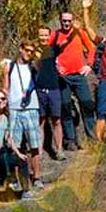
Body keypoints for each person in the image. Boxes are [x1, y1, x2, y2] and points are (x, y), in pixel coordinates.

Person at [49, 0, 97, 149]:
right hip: (63, 78)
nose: (66, 24)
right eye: (64, 21)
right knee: (66, 107)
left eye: (69, 21)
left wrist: (89, 65)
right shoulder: (55, 35)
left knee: (87, 104)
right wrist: (55, 65)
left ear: (72, 21)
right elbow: (46, 53)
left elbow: (92, 48)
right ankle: (69, 140)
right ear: (60, 21)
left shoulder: (79, 33)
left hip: (79, 75)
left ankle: (92, 136)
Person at [6, 42, 44, 196]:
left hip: (31, 107)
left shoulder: (33, 67)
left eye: (31, 51)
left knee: (34, 145)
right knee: (16, 145)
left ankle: (36, 177)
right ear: (20, 49)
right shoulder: (10, 66)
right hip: (15, 108)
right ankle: (17, 178)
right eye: (27, 50)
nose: (29, 53)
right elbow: (5, 87)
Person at [34, 26, 65, 160]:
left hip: (53, 88)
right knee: (41, 120)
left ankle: (59, 149)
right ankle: (39, 151)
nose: (44, 38)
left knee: (56, 120)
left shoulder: (53, 50)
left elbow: (65, 41)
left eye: (46, 35)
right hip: (39, 89)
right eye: (41, 35)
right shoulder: (34, 52)